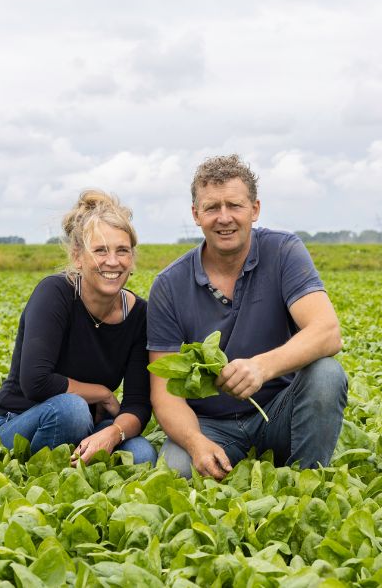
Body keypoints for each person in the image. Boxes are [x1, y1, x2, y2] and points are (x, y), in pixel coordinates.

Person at [148, 154, 348, 479]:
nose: (224, 218)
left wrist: (261, 367)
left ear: (254, 209)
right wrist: (196, 442)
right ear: (196, 215)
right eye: (212, 208)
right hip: (210, 425)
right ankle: (217, 456)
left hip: (276, 413)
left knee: (327, 374)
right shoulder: (169, 285)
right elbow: (164, 391)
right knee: (176, 471)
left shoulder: (283, 251)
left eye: (235, 206)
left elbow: (327, 332)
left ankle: (310, 483)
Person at [0, 190, 157, 465]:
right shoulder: (55, 293)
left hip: (86, 428)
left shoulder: (139, 315)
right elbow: (36, 382)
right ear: (78, 256)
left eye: (122, 251)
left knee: (141, 455)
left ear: (132, 258)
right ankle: (42, 475)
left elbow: (137, 404)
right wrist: (102, 392)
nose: (112, 262)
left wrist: (113, 433)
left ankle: (77, 461)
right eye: (100, 250)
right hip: (18, 423)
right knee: (72, 410)